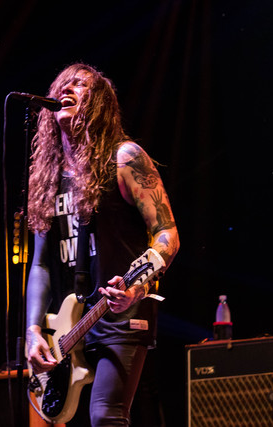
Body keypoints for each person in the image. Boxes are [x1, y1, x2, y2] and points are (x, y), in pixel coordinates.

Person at [25, 63, 179, 426]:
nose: (67, 89)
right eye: (63, 84)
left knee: (106, 416)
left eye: (80, 85)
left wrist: (138, 287)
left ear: (99, 104)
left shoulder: (125, 159)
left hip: (121, 312)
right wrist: (33, 330)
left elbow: (167, 232)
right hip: (71, 326)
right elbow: (41, 264)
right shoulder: (47, 178)